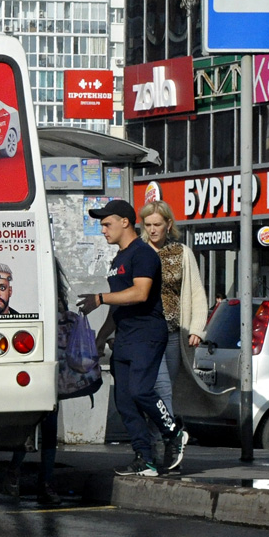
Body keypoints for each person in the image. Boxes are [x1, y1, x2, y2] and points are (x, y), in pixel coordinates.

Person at [78, 199, 187, 477]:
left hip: (147, 334)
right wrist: (101, 337)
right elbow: (119, 306)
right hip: (125, 336)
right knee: (125, 401)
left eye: (106, 223)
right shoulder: (118, 259)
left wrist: (100, 298)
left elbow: (139, 293)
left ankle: (173, 431)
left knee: (140, 390)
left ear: (125, 222)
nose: (103, 229)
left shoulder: (143, 254)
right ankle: (145, 460)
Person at [139, 200, 208, 455]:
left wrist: (197, 328)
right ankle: (166, 443)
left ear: (169, 224)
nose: (153, 230)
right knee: (161, 388)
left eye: (157, 224)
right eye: (148, 225)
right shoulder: (139, 252)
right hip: (146, 335)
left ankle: (157, 445)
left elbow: (197, 293)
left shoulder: (182, 253)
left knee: (164, 390)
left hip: (172, 334)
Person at [5, 262, 69, 506]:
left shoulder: (53, 295)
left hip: (48, 366)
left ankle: (44, 481)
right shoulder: (23, 294)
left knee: (47, 427)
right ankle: (19, 472)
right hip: (28, 364)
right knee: (28, 426)